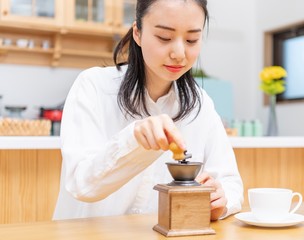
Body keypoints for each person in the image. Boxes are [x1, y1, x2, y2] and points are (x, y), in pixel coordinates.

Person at [53, 0, 243, 221]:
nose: (179, 53)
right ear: (137, 33)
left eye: (192, 39)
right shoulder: (93, 86)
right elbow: (82, 185)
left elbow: (231, 183)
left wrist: (221, 199)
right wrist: (134, 140)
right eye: (164, 37)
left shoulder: (201, 104)